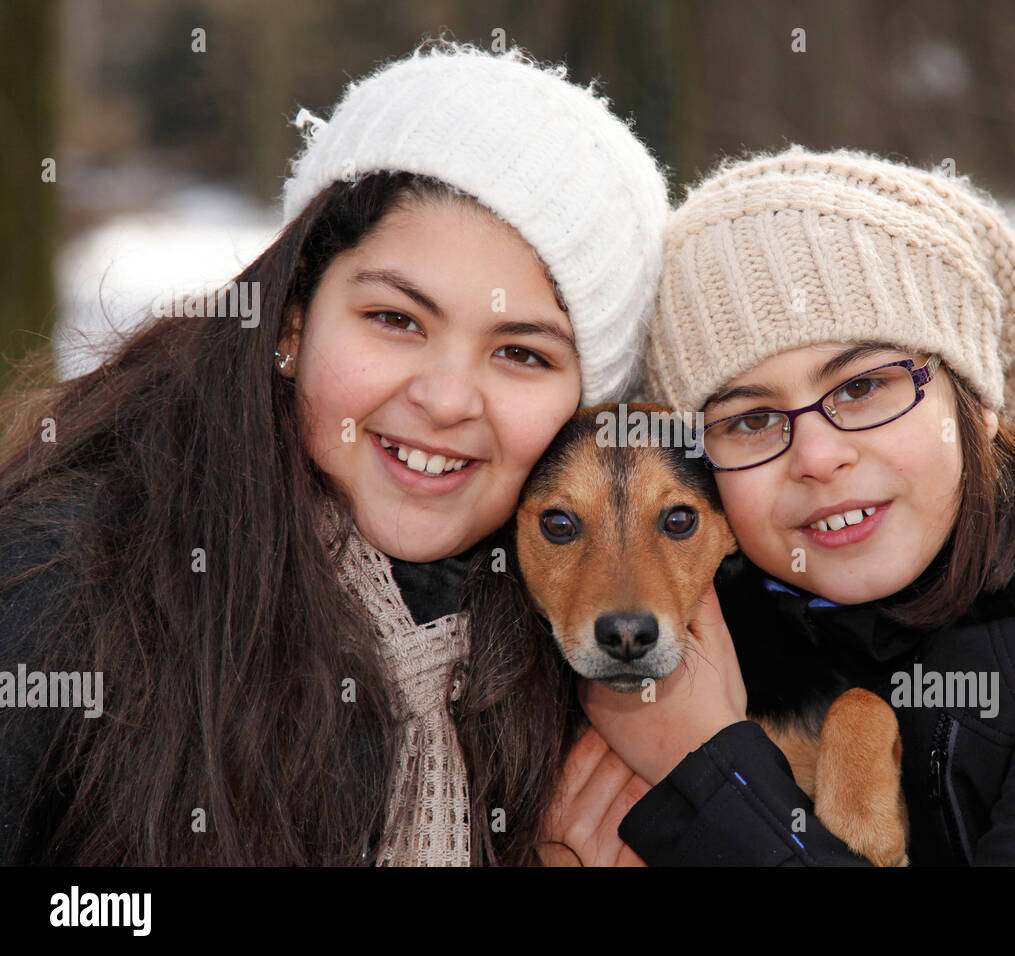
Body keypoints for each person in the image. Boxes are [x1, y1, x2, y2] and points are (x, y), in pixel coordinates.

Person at [0, 40, 668, 865]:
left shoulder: (589, 650)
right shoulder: (74, 577)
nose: (447, 398)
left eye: (522, 354)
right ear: (292, 321)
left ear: (582, 415)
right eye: (396, 320)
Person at [558, 146, 1015, 865]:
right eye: (750, 419)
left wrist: (711, 779)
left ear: (976, 401)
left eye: (862, 387)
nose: (817, 456)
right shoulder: (698, 640)